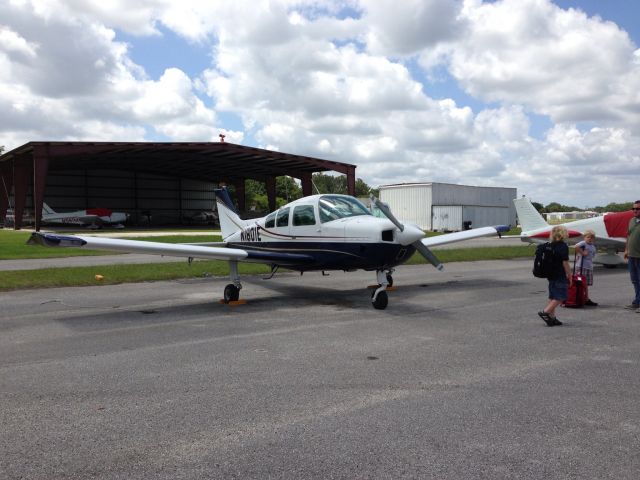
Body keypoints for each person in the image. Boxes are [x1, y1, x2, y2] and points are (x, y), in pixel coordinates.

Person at [538, 225, 572, 326]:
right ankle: (546, 312)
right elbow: (565, 262)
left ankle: (552, 318)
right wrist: (569, 275)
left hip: (550, 274)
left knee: (553, 296)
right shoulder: (563, 246)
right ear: (563, 234)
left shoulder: (550, 245)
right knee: (561, 296)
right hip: (559, 274)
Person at [624, 200, 640, 312]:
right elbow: (629, 236)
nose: (635, 210)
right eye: (633, 208)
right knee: (634, 280)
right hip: (631, 255)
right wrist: (626, 250)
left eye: (637, 209)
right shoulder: (632, 221)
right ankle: (637, 302)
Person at [574, 229, 598, 306]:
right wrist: (582, 253)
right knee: (580, 283)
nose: (589, 239)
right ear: (584, 237)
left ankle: (586, 298)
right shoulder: (583, 243)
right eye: (588, 237)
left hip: (589, 267)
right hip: (581, 266)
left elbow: (592, 256)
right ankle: (578, 297)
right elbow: (576, 247)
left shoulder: (593, 247)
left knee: (586, 284)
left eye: (591, 237)